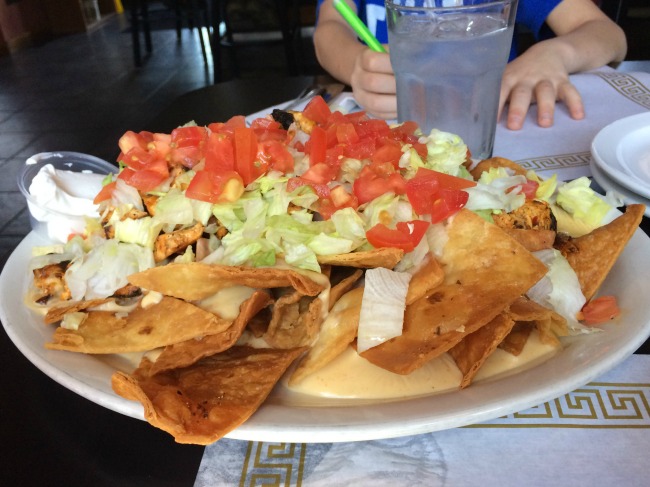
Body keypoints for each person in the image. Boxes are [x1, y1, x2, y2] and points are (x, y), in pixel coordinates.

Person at [313, 0, 627, 130]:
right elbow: (329, 30)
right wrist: (356, 64)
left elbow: (608, 34)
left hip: (497, 130)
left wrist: (555, 54)